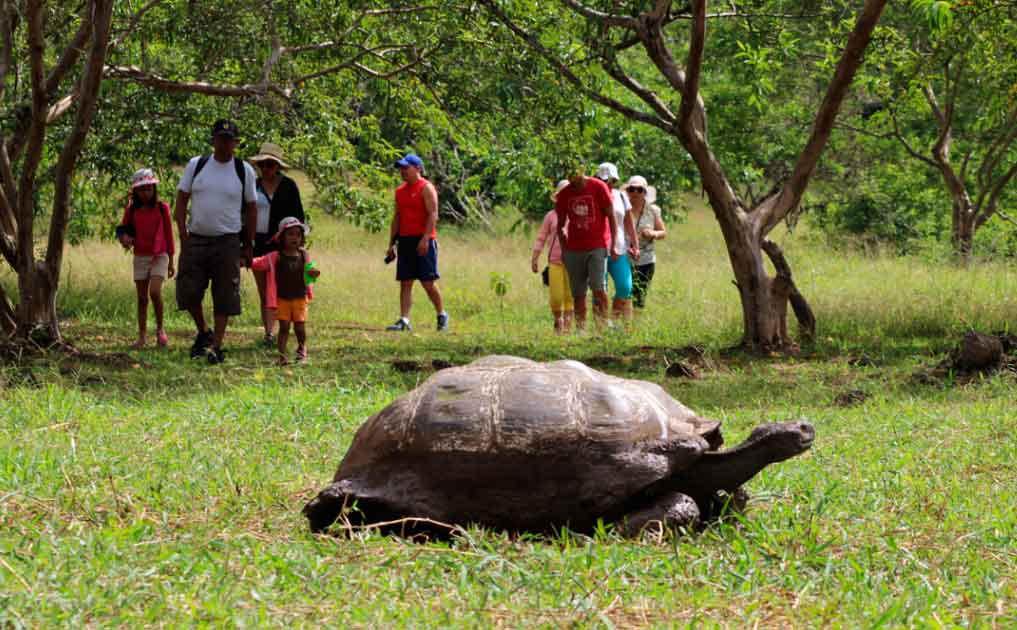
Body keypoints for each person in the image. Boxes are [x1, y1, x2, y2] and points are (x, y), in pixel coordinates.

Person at [174, 119, 257, 364]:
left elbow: (252, 209)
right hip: (196, 238)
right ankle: (204, 332)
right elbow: (181, 199)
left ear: (236, 143)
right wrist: (182, 233)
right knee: (187, 291)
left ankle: (216, 346)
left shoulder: (244, 170)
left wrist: (249, 244)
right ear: (213, 140)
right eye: (221, 138)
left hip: (227, 241)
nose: (225, 143)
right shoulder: (196, 165)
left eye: (229, 139)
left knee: (225, 295)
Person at [249, 142, 305, 347]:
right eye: (262, 165)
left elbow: (298, 217)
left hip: (283, 244)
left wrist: (296, 244)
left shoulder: (289, 186)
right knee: (264, 289)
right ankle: (268, 333)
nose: (266, 169)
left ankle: (286, 327)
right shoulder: (253, 185)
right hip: (258, 241)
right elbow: (243, 213)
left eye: (270, 165)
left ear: (278, 166)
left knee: (283, 288)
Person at [385, 153, 449, 332]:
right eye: (401, 168)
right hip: (405, 240)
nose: (402, 171)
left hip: (424, 239)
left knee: (427, 282)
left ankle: (441, 314)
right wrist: (391, 244)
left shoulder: (426, 188)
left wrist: (426, 238)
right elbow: (397, 217)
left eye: (406, 168)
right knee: (405, 281)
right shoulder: (399, 191)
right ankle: (404, 320)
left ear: (418, 168)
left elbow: (433, 214)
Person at [555, 163, 619, 329]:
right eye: (568, 174)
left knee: (598, 288)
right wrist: (564, 248)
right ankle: (581, 330)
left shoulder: (598, 187)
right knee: (578, 294)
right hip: (573, 249)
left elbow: (611, 215)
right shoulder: (564, 194)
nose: (571, 178)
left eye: (574, 173)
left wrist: (613, 244)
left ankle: (602, 327)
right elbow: (560, 224)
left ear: (582, 170)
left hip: (597, 246)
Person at [117, 168, 175, 349]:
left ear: (154, 188)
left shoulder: (162, 207)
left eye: (149, 188)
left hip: (160, 255)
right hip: (141, 255)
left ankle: (160, 330)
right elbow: (122, 229)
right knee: (142, 298)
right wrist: (124, 239)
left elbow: (169, 233)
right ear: (135, 191)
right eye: (142, 189)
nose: (146, 193)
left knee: (155, 292)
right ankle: (142, 336)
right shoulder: (131, 209)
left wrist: (171, 260)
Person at [251, 217, 319, 365]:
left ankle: (302, 349)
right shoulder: (276, 256)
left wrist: (313, 272)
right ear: (282, 237)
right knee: (284, 327)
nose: (295, 237)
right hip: (282, 299)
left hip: (300, 298)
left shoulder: (303, 255)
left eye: (298, 234)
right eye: (290, 234)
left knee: (300, 327)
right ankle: (282, 356)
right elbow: (259, 263)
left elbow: (310, 269)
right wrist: (247, 260)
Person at [595, 162, 639, 324]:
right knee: (600, 289)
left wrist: (635, 244)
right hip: (598, 249)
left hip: (619, 248)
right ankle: (601, 327)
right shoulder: (593, 196)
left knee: (625, 287)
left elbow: (628, 222)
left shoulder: (621, 196)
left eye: (611, 180)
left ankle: (612, 319)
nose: (607, 183)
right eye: (603, 179)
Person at [531, 180, 574, 333]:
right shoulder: (551, 216)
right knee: (556, 297)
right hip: (555, 261)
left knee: (571, 296)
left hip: (574, 262)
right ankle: (558, 320)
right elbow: (541, 237)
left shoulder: (577, 214)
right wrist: (535, 258)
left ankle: (567, 329)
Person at [624, 175, 667, 309]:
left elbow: (663, 232)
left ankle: (636, 325)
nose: (635, 192)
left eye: (639, 189)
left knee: (640, 296)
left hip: (646, 260)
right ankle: (625, 325)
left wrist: (652, 233)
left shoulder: (653, 210)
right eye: (631, 189)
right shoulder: (621, 209)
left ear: (645, 192)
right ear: (627, 191)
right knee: (625, 292)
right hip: (625, 258)